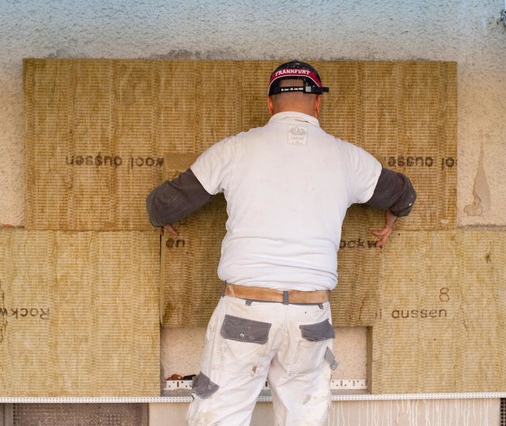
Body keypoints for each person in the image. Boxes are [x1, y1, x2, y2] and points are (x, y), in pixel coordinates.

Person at [146, 61, 416, 426]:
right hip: (311, 316)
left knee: (220, 414)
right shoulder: (348, 158)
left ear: (270, 105)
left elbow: (163, 203)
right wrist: (392, 218)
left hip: (246, 313)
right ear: (318, 104)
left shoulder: (236, 149)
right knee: (304, 416)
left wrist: (163, 219)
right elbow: (403, 194)